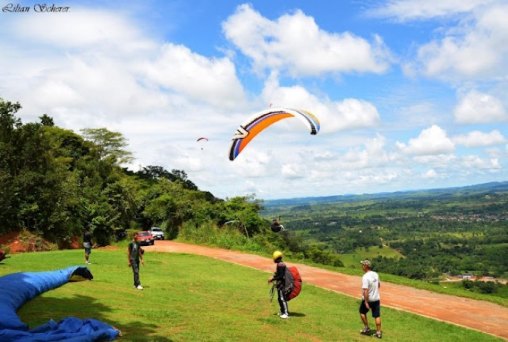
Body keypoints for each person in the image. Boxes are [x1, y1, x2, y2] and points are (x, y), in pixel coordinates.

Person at [359, 259, 382, 339]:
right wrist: (374, 292)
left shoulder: (365, 277)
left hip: (368, 299)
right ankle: (378, 333)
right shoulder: (376, 274)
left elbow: (365, 290)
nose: (362, 266)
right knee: (377, 316)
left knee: (362, 312)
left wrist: (366, 301)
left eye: (362, 265)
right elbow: (378, 285)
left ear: (366, 266)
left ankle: (367, 328)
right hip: (376, 298)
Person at [268, 250, 289, 319]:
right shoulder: (280, 264)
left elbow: (281, 276)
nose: (273, 259)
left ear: (276, 258)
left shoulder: (281, 265)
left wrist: (272, 279)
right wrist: (273, 277)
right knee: (279, 298)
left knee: (282, 299)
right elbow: (278, 274)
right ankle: (282, 311)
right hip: (280, 284)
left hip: (282, 284)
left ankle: (286, 313)